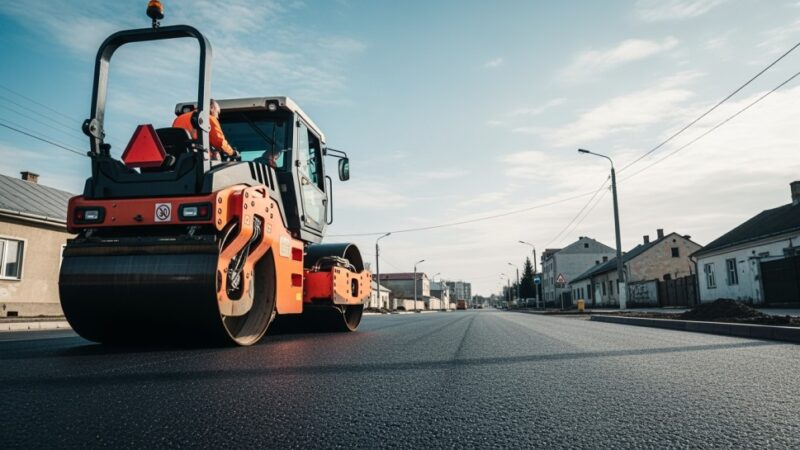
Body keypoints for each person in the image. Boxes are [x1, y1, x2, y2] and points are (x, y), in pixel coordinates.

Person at [172, 99, 238, 160]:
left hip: (180, 160)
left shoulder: (178, 119)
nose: (217, 117)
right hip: (200, 160)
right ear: (211, 108)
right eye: (217, 112)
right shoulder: (208, 118)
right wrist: (232, 153)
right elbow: (219, 142)